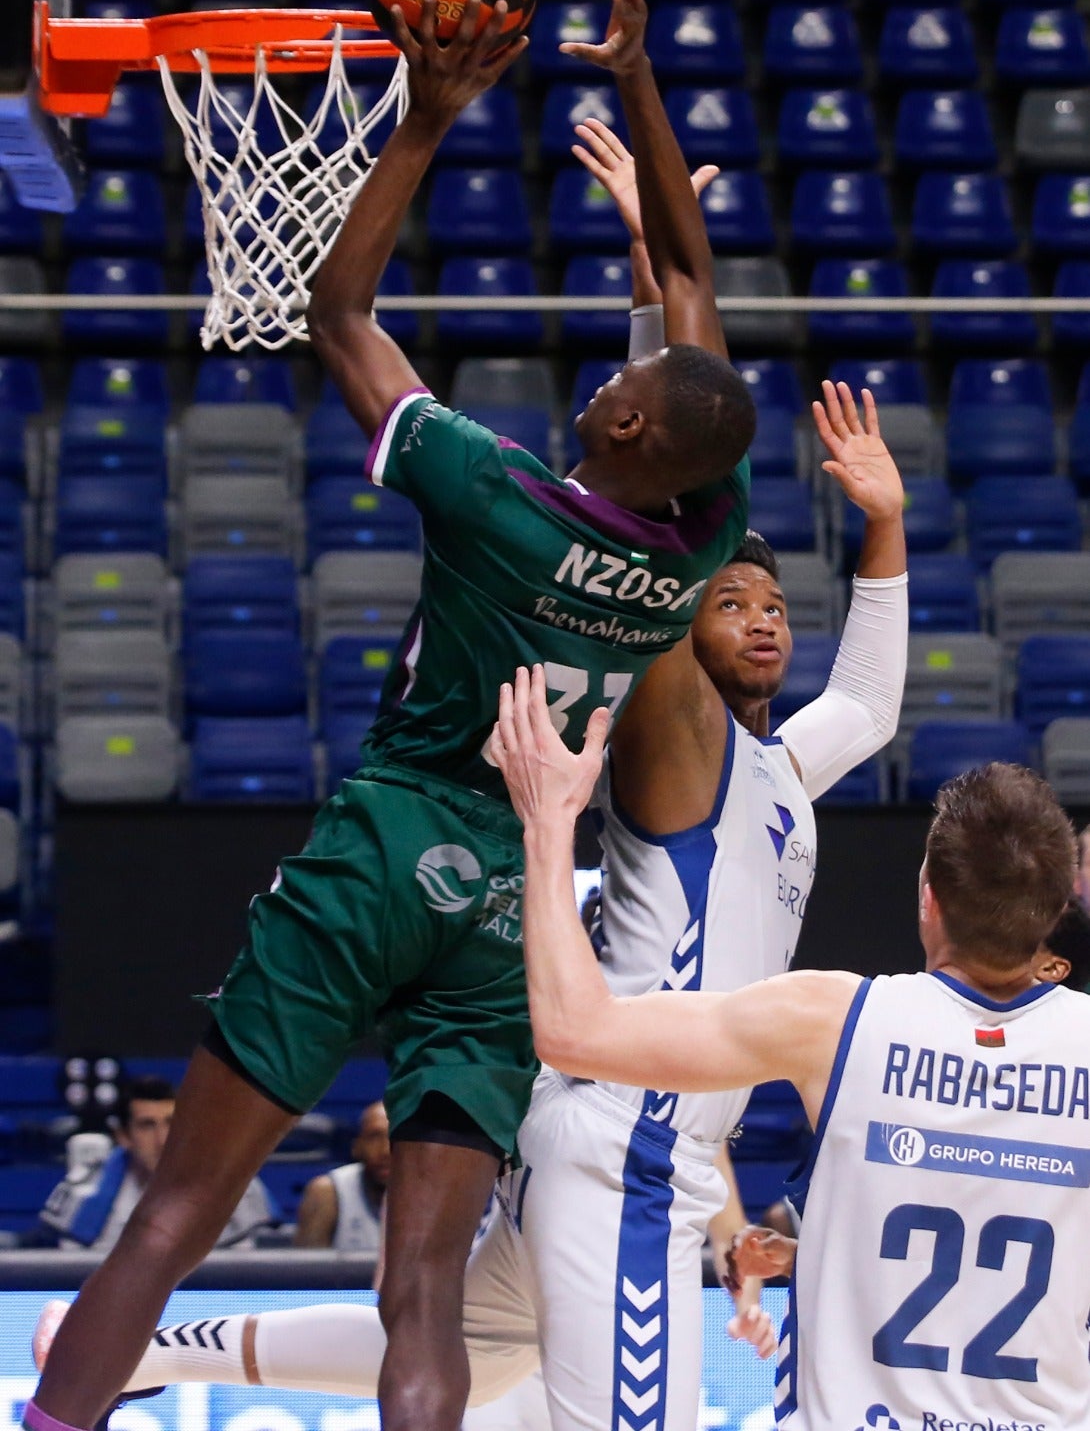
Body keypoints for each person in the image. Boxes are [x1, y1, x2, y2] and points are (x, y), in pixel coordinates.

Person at [26, 0, 755, 1431]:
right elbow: (689, 289)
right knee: (417, 1287)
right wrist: (641, 82)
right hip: (513, 899)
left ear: (624, 439)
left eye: (613, 393)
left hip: (391, 838)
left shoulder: (492, 491)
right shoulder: (701, 536)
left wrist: (425, 115)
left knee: (172, 1215)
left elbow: (340, 316)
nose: (602, 383)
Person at [37, 376, 908, 1423]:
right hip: (614, 1131)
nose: (762, 621)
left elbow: (864, 702)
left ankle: (171, 1351)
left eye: (774, 606)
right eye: (729, 601)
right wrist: (666, 297)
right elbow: (657, 504)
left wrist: (886, 521)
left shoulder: (777, 769)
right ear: (675, 615)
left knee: (465, 1346)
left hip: (627, 1122)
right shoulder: (674, 731)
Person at [491, 665, 1090, 1431]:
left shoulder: (835, 1019)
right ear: (1056, 910)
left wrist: (548, 824)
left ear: (927, 896)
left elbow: (574, 1031)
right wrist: (821, 1257)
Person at [728, 894, 1090, 1293]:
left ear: (1054, 967)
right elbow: (936, 1256)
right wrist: (805, 1257)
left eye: (1024, 934)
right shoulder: (924, 1042)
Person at [38, 1077, 274, 1253]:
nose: (163, 1140)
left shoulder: (232, 1185)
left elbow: (243, 1277)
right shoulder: (86, 1192)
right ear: (123, 1136)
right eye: (147, 1125)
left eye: (172, 1123)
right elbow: (68, 1277)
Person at [293, 1101, 389, 1253]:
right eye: (374, 1137)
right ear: (356, 1147)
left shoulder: (434, 1193)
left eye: (396, 1137)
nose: (386, 1151)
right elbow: (304, 1274)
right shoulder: (327, 1192)